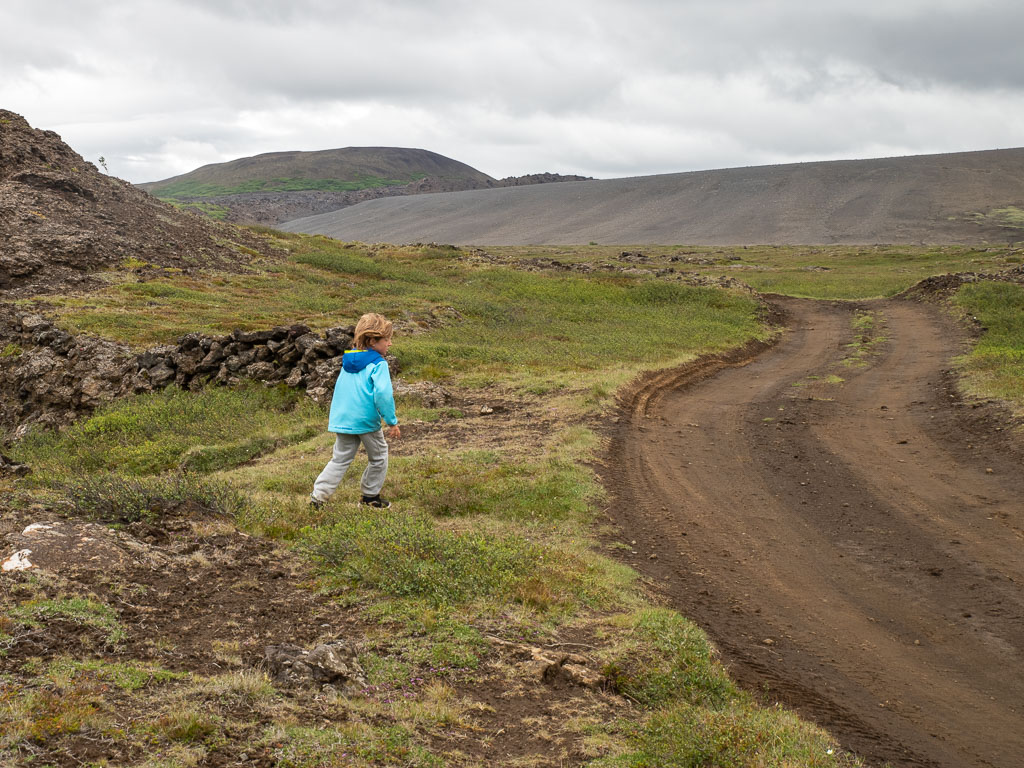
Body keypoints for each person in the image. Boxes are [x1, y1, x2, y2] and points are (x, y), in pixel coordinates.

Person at [310, 312, 401, 509]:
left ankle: (317, 498)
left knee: (340, 459)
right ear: (372, 341)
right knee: (378, 456)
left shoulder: (347, 361)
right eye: (387, 339)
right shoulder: (378, 364)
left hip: (343, 419)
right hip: (365, 421)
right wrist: (391, 421)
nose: (390, 344)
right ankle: (370, 498)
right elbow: (383, 394)